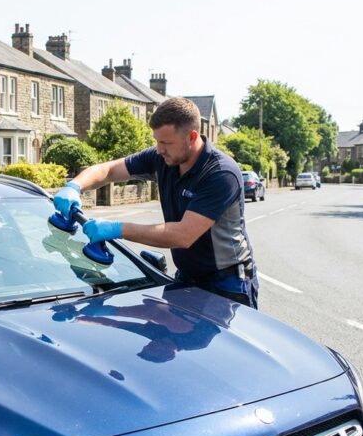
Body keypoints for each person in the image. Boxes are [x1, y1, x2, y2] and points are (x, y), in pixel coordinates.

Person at [53, 97, 259, 308]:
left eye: (166, 143)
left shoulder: (221, 173)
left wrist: (117, 228)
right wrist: (74, 186)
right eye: (157, 141)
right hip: (188, 276)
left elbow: (183, 235)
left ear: (192, 137)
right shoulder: (162, 158)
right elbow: (109, 170)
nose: (159, 149)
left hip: (228, 283)